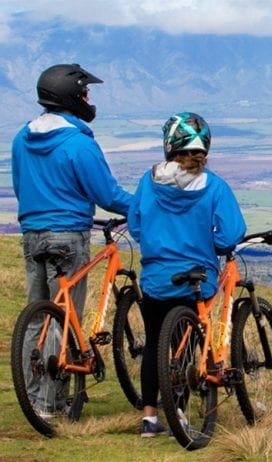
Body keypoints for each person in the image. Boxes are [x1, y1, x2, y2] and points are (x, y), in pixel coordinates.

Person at [11, 63, 133, 414]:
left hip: (32, 235)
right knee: (65, 317)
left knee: (38, 317)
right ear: (72, 96)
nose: (88, 98)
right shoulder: (77, 144)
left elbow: (21, 186)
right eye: (85, 92)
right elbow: (107, 194)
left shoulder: (22, 137)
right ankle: (52, 403)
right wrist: (142, 206)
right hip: (68, 235)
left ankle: (34, 399)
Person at [128, 112, 246, 437]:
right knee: (188, 346)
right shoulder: (215, 186)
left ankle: (150, 418)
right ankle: (180, 412)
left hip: (155, 279)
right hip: (198, 280)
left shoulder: (147, 180)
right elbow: (230, 235)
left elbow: (135, 225)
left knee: (154, 344)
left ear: (168, 145)